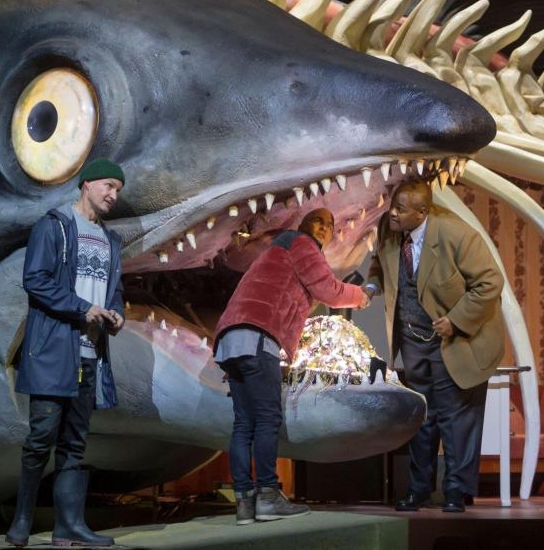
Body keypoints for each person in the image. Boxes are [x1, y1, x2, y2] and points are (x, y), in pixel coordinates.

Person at [212, 208, 370, 525]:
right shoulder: (301, 244)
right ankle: (268, 496)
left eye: (330, 223)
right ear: (304, 225)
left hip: (231, 338)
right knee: (268, 419)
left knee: (244, 424)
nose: (325, 228)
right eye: (319, 221)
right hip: (258, 335)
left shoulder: (275, 252)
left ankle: (244, 503)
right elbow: (329, 290)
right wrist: (360, 295)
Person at [5, 159, 127, 548]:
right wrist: (82, 307)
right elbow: (34, 280)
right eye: (109, 186)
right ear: (87, 183)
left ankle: (68, 526)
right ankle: (22, 519)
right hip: (54, 350)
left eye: (118, 191)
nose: (113, 196)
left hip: (91, 354)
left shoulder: (110, 240)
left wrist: (116, 312)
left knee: (75, 443)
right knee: (41, 437)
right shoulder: (55, 225)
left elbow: (114, 289)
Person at [365, 178, 505, 513]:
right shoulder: (389, 229)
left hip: (456, 342)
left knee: (454, 419)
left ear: (421, 212)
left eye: (400, 209)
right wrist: (372, 284)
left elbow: (490, 282)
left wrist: (456, 320)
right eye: (393, 206)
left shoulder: (456, 234)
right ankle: (418, 490)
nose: (393, 213)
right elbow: (380, 265)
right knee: (421, 418)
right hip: (414, 341)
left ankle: (455, 490)